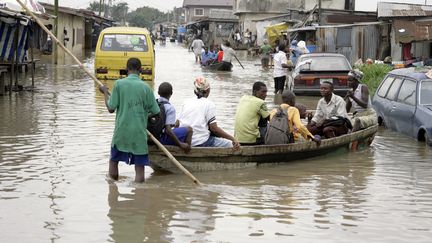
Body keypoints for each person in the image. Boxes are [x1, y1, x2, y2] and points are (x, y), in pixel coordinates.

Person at [99, 58, 160, 183]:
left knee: (114, 160)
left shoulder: (119, 84)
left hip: (121, 132)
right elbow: (156, 112)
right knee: (139, 167)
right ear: (141, 70)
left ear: (127, 69)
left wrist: (105, 92)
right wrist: (144, 116)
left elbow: (111, 108)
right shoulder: (146, 88)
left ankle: (113, 187)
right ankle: (139, 194)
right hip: (139, 133)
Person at [177, 77, 240, 149]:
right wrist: (233, 139)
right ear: (208, 90)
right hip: (200, 142)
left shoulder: (186, 102)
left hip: (185, 140)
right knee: (230, 145)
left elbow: (177, 124)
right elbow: (214, 129)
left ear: (195, 91)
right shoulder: (209, 104)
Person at [157, 82, 193, 153]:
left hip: (153, 137)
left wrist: (173, 125)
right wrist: (180, 144)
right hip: (161, 139)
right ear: (171, 93)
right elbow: (168, 130)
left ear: (158, 92)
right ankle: (187, 152)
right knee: (189, 130)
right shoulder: (170, 108)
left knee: (176, 129)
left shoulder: (154, 103)